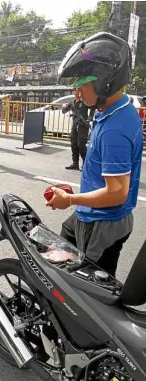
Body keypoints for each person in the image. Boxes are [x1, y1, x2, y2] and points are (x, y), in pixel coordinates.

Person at [46, 32, 143, 277]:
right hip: (90, 215)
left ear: (104, 81)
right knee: (56, 258)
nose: (77, 92)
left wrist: (70, 200)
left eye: (82, 83)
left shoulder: (115, 129)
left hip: (103, 223)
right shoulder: (111, 109)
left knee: (89, 289)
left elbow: (116, 193)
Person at [62, 88, 95, 170]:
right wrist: (65, 107)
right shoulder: (73, 102)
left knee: (81, 145)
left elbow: (92, 107)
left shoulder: (84, 101)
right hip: (75, 125)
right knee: (73, 144)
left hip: (83, 125)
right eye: (74, 91)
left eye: (77, 90)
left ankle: (86, 163)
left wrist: (90, 116)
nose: (75, 92)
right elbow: (64, 111)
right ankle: (75, 163)